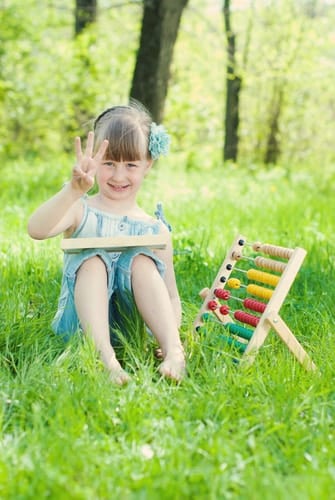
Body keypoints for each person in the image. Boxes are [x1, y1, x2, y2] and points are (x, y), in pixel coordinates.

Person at [28, 102, 186, 385]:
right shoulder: (80, 210)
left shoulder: (155, 229)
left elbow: (171, 295)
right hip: (80, 329)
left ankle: (175, 354)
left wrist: (170, 334)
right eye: (109, 163)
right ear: (95, 161)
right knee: (93, 261)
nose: (118, 175)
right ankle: (104, 359)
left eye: (131, 165)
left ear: (148, 165)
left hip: (135, 328)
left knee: (140, 260)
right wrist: (72, 191)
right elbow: (36, 230)